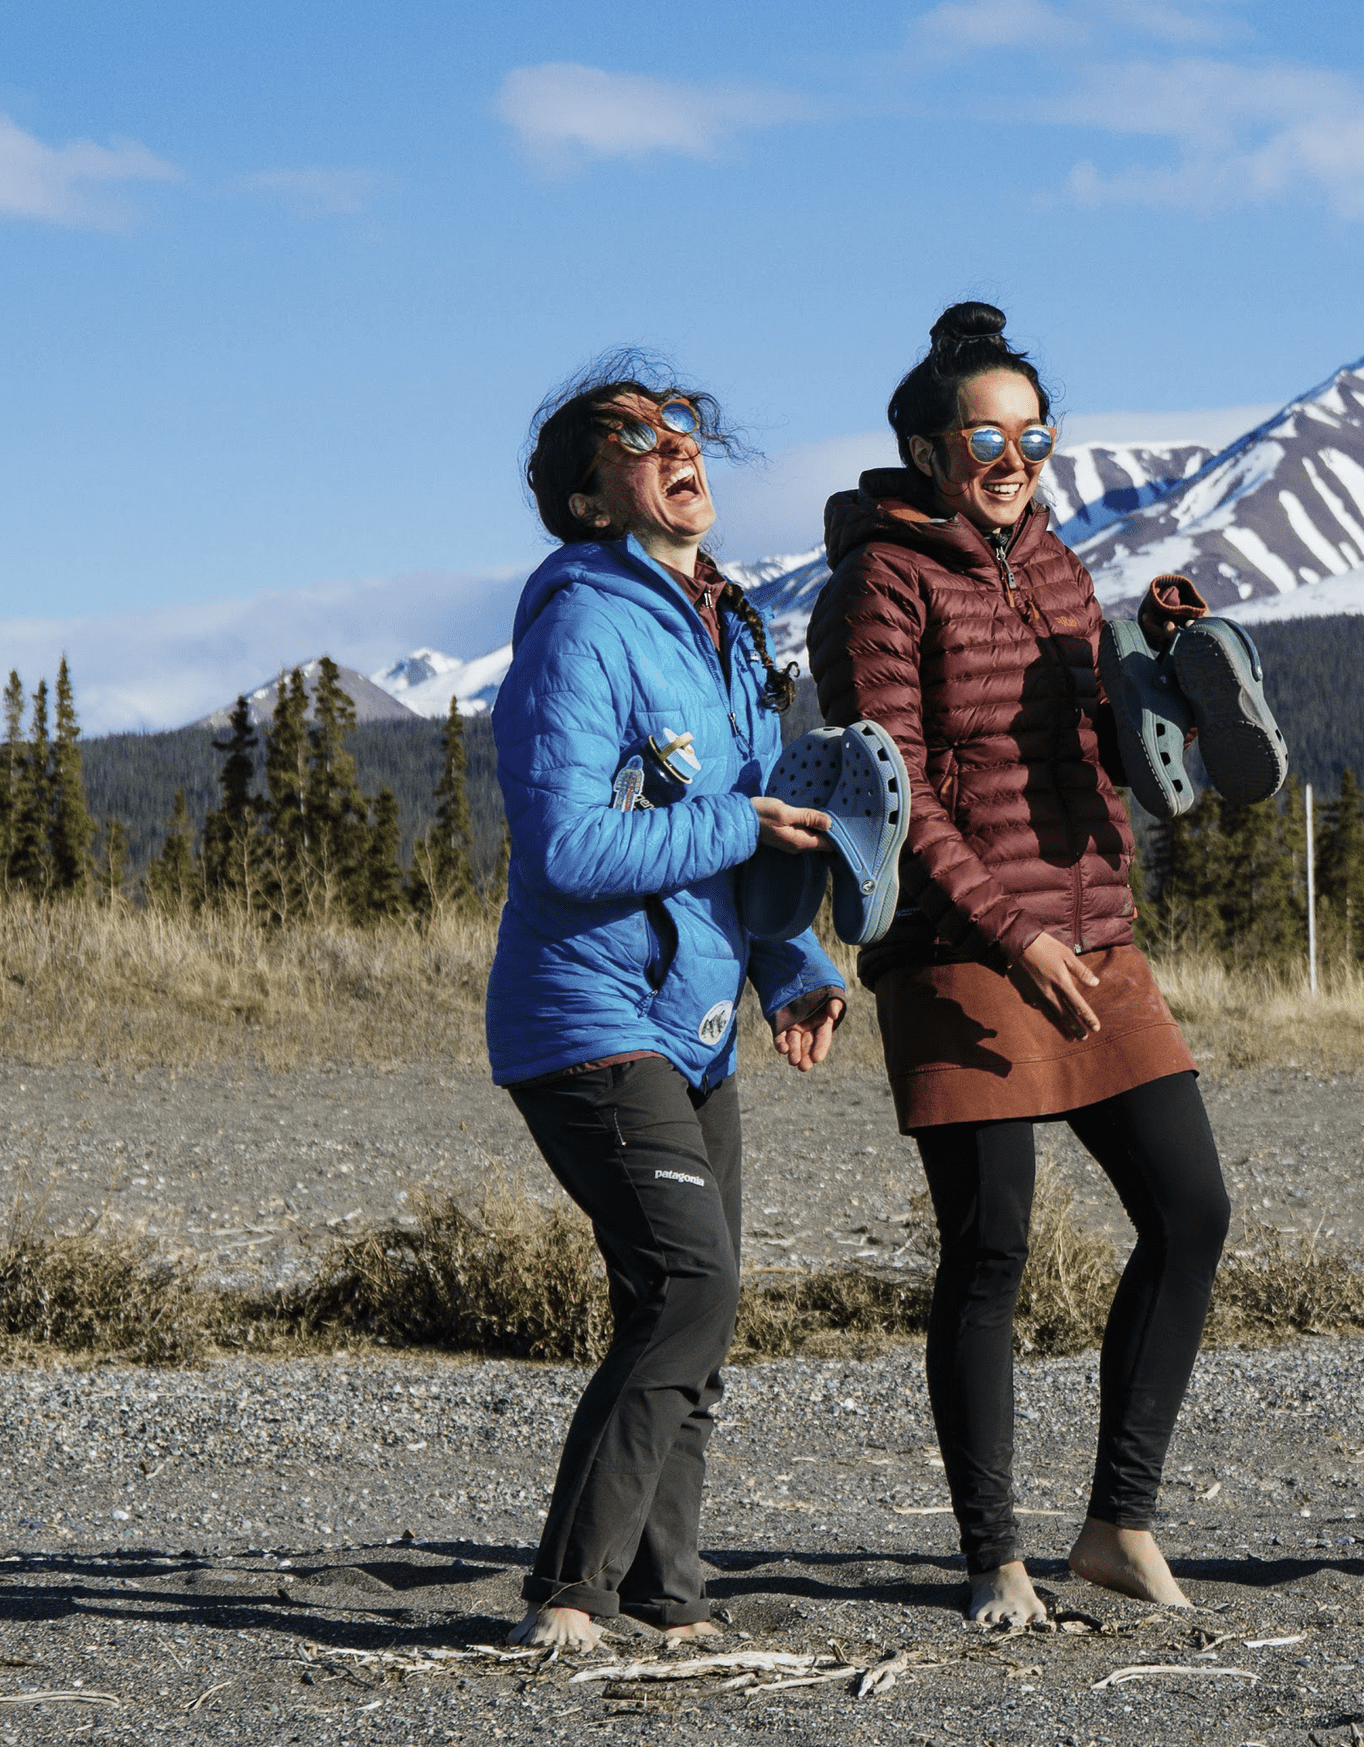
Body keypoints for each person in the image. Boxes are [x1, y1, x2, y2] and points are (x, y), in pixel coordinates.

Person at [812, 302, 1233, 1627]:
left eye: (1032, 435)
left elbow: (1090, 751)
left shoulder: (1055, 563)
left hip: (1094, 932)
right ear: (929, 449)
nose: (1012, 455)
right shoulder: (881, 578)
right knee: (989, 1248)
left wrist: (1151, 695)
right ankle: (993, 1551)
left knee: (1189, 1209)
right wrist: (1013, 932)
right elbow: (890, 789)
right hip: (960, 944)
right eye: (984, 434)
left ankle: (1117, 1519)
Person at [487, 353, 848, 1651]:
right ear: (590, 501)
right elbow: (570, 847)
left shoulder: (722, 628)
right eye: (635, 436)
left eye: (684, 426)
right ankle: (570, 1589)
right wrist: (728, 818)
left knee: (704, 1300)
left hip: (692, 1023)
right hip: (584, 1016)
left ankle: (665, 1593)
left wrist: (792, 963)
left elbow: (746, 842)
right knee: (683, 1288)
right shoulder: (582, 624)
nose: (674, 444)